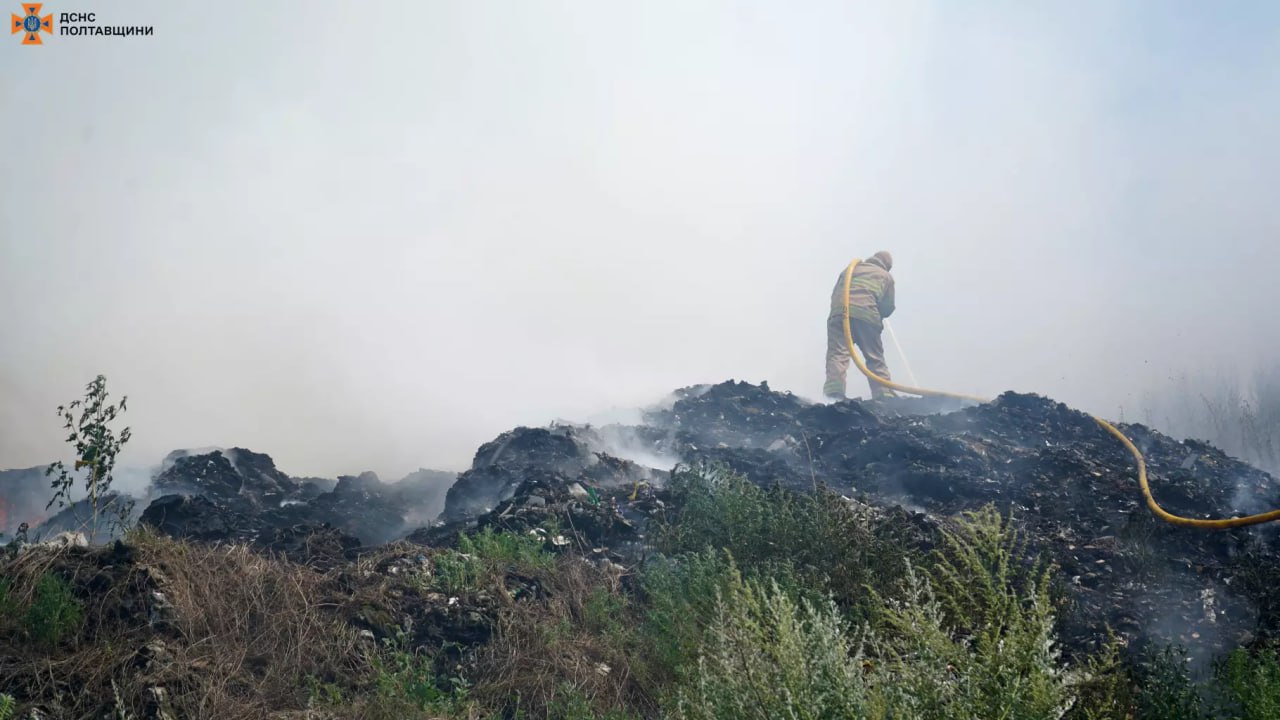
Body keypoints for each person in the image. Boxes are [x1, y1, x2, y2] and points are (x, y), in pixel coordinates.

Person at [824, 251, 896, 400]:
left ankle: (834, 392)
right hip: (866, 317)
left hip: (839, 315)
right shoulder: (885, 276)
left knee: (837, 354)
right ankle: (884, 394)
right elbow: (888, 307)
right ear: (886, 265)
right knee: (874, 356)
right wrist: (880, 312)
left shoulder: (850, 269)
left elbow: (835, 293)